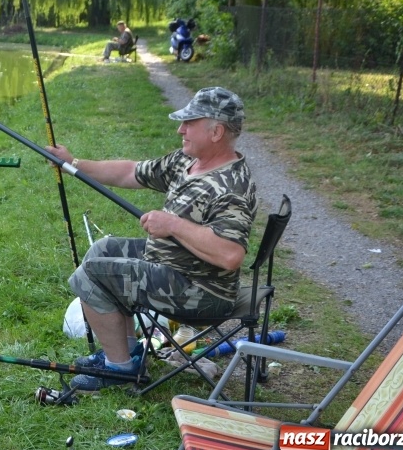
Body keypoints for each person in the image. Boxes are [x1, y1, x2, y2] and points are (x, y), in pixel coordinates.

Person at [45, 87, 257, 392]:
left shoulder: (230, 187)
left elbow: (230, 255)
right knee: (101, 250)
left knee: (91, 275)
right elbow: (131, 172)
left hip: (201, 291)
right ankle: (126, 354)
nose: (180, 129)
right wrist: (73, 163)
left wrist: (173, 225)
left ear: (216, 132)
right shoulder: (188, 162)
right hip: (174, 267)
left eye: (189, 123)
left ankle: (119, 370)